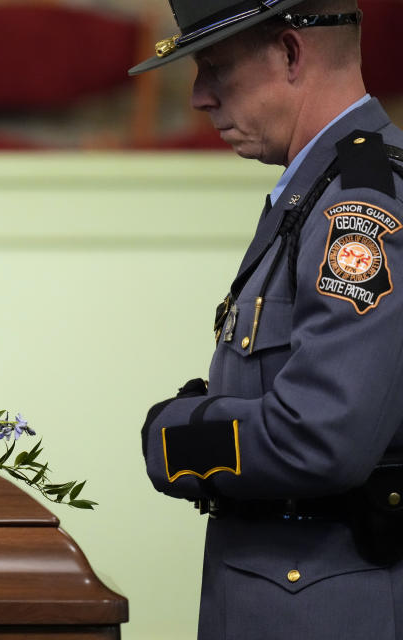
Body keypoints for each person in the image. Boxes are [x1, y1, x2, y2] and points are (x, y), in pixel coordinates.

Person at [131, 0, 403, 638]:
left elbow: (320, 437)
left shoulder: (358, 211)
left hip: (324, 608)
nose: (199, 97)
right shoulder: (317, 191)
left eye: (216, 68)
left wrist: (172, 434)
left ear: (290, 53)